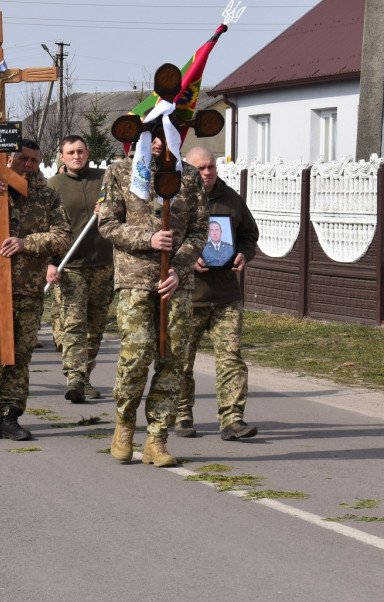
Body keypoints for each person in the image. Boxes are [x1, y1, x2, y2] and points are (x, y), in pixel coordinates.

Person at [98, 137, 208, 467]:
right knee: (137, 352)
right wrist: (147, 238)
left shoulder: (188, 176)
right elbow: (107, 223)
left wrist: (178, 267)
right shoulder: (121, 171)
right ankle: (124, 424)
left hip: (176, 282)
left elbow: (200, 229)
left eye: (166, 133)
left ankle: (157, 438)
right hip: (134, 278)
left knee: (174, 357)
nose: (160, 142)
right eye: (153, 135)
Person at [0, 139, 71, 441]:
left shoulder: (48, 197)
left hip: (29, 287)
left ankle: (11, 416)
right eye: (24, 159)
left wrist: (27, 243)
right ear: (9, 159)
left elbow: (62, 237)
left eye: (35, 160)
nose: (29, 165)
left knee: (20, 354)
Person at [177, 147, 261, 440]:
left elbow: (250, 233)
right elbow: (165, 241)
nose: (207, 172)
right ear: (187, 169)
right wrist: (187, 257)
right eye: (200, 168)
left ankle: (232, 419)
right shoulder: (176, 199)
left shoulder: (231, 199)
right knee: (181, 359)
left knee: (231, 357)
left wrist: (244, 254)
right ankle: (182, 414)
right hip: (189, 295)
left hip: (227, 294)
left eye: (211, 166)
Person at [46, 135, 114, 404]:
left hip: (103, 264)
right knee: (73, 323)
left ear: (88, 153)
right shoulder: (54, 186)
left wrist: (107, 208)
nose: (77, 156)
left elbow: (123, 209)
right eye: (71, 152)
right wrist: (49, 262)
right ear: (62, 157)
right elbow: (45, 227)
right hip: (70, 265)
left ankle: (85, 376)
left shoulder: (104, 180)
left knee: (96, 326)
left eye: (81, 151)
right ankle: (74, 377)